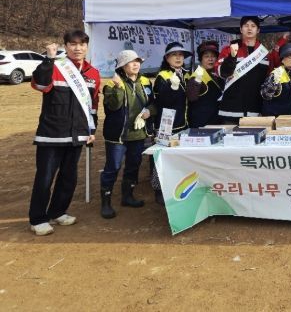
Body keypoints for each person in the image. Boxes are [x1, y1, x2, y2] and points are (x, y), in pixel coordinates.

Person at [28, 30, 101, 236]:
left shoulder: (93, 73)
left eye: (82, 44)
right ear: (66, 46)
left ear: (87, 47)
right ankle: (38, 219)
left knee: (69, 177)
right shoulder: (56, 66)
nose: (78, 48)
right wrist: (48, 60)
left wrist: (91, 130)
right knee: (45, 178)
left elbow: (93, 105)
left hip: (78, 134)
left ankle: (58, 211)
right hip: (51, 134)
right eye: (73, 44)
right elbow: (40, 84)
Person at [100, 50, 154, 219]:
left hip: (138, 133)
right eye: (131, 61)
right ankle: (106, 203)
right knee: (113, 167)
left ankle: (128, 196)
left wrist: (149, 111)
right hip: (118, 134)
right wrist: (117, 88)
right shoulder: (111, 84)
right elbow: (113, 107)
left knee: (133, 165)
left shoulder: (145, 81)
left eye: (138, 61)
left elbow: (153, 103)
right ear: (122, 66)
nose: (136, 64)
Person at [152, 41, 191, 204]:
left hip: (184, 122)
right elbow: (161, 101)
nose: (178, 58)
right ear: (167, 58)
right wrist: (171, 87)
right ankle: (158, 189)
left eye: (181, 55)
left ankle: (176, 186)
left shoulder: (187, 74)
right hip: (166, 124)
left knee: (179, 158)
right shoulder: (163, 76)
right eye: (174, 55)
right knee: (162, 157)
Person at [215, 16, 270, 124]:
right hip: (231, 110)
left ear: (258, 30)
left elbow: (269, 78)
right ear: (241, 29)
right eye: (246, 26)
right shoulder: (229, 49)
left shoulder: (264, 53)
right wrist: (232, 56)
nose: (249, 28)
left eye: (253, 26)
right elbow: (222, 73)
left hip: (256, 110)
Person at [186, 40, 224, 128]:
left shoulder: (217, 75)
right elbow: (191, 97)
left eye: (213, 56)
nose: (210, 59)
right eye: (206, 56)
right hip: (201, 126)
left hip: (216, 124)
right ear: (201, 59)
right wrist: (197, 80)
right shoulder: (196, 76)